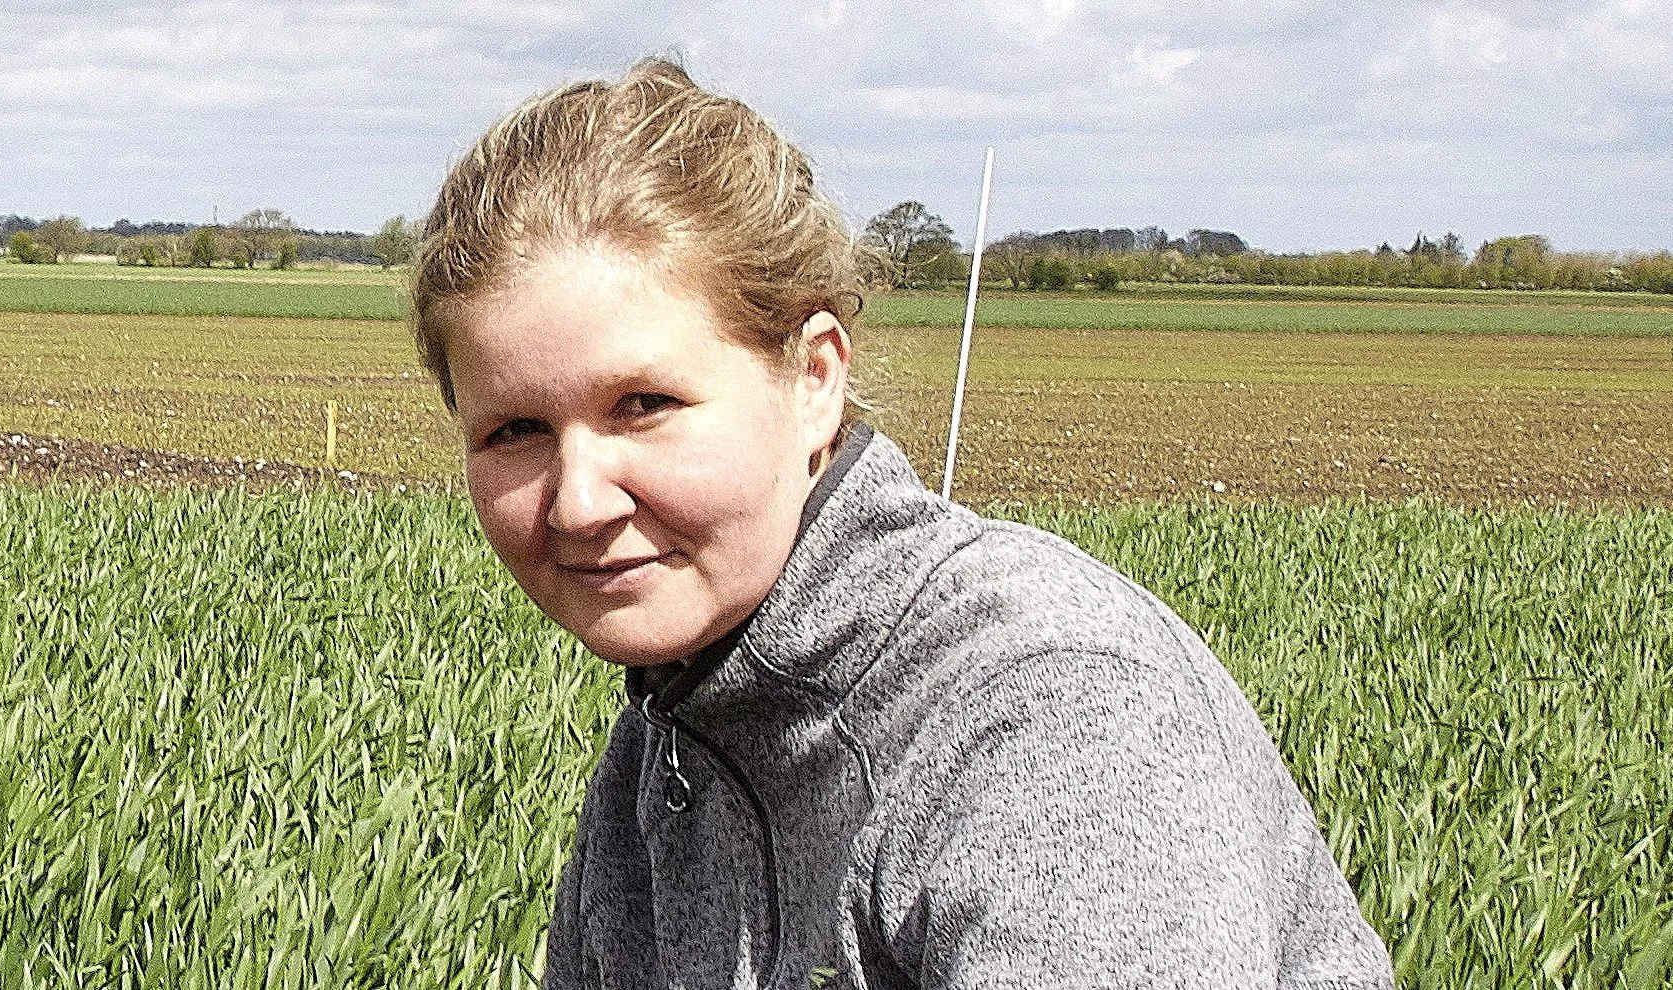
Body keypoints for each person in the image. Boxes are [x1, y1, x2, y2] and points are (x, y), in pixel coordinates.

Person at [411, 58, 1393, 990]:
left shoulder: (1045, 712)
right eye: (516, 430)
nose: (578, 500)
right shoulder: (674, 734)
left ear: (813, 379)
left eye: (644, 404)